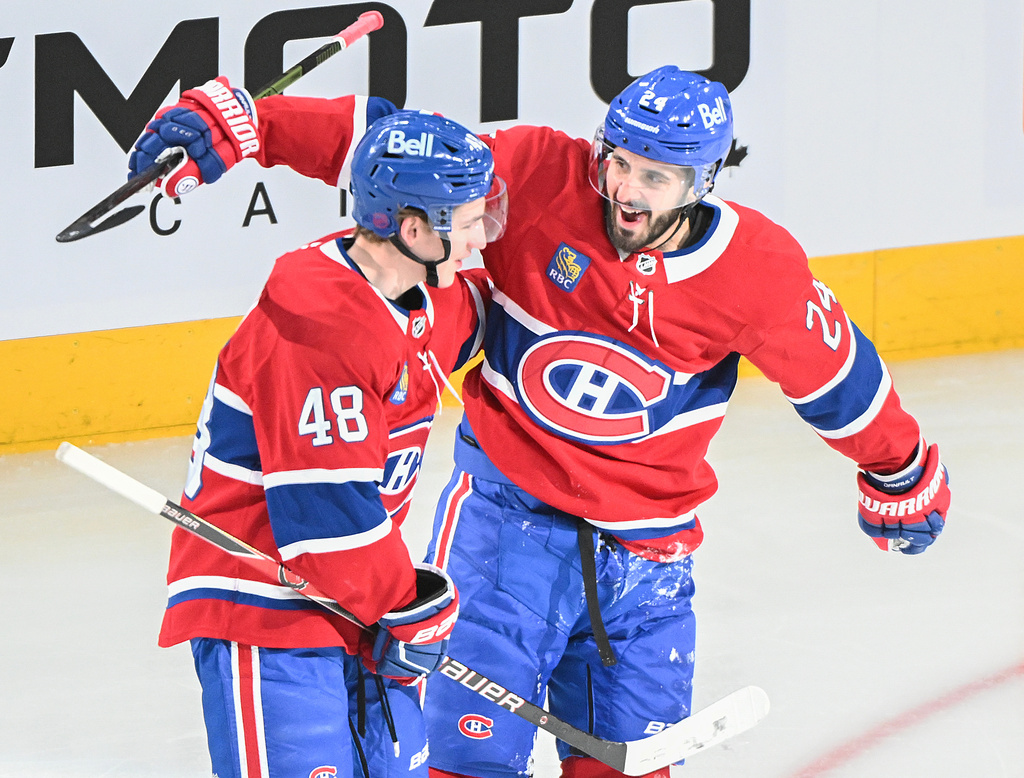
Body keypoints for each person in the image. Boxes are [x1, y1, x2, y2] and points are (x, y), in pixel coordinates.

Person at [130, 66, 951, 778]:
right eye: (618, 162)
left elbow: (837, 374)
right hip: (501, 528)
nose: (626, 189)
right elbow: (403, 152)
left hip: (647, 557)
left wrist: (900, 469)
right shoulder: (538, 172)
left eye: (655, 178)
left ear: (702, 180)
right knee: (458, 760)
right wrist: (252, 127)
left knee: (630, 760)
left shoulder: (755, 271)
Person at [135, 84, 509, 778]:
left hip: (353, 602)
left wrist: (262, 122)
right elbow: (326, 524)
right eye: (467, 219)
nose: (482, 234)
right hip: (264, 606)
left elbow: (379, 132)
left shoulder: (426, 292)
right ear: (414, 230)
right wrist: (406, 608)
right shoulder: (321, 330)